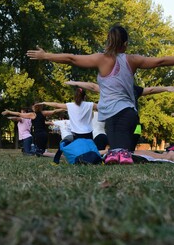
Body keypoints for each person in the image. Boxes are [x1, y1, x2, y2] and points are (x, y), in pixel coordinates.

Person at [27, 24, 174, 164]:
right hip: (125, 115)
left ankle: (168, 156)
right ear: (125, 44)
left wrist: (46, 55)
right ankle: (167, 156)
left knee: (123, 154)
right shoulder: (132, 60)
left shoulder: (101, 59)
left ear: (108, 41)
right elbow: (161, 61)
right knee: (123, 153)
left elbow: (71, 58)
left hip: (119, 116)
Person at [66, 80, 174, 152]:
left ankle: (121, 153)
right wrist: (166, 88)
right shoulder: (134, 88)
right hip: (135, 123)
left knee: (120, 145)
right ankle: (128, 153)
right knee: (131, 143)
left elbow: (93, 87)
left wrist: (75, 83)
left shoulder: (112, 89)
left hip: (118, 123)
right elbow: (150, 90)